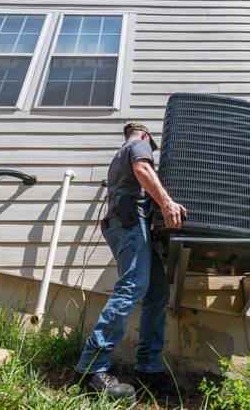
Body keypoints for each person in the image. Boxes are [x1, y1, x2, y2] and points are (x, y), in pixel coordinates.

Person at [75, 123, 188, 405]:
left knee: (156, 291)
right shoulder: (137, 145)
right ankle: (91, 367)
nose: (151, 153)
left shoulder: (122, 153)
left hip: (131, 225)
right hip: (129, 224)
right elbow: (143, 169)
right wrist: (166, 202)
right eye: (151, 148)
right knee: (132, 288)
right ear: (145, 137)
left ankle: (148, 370)